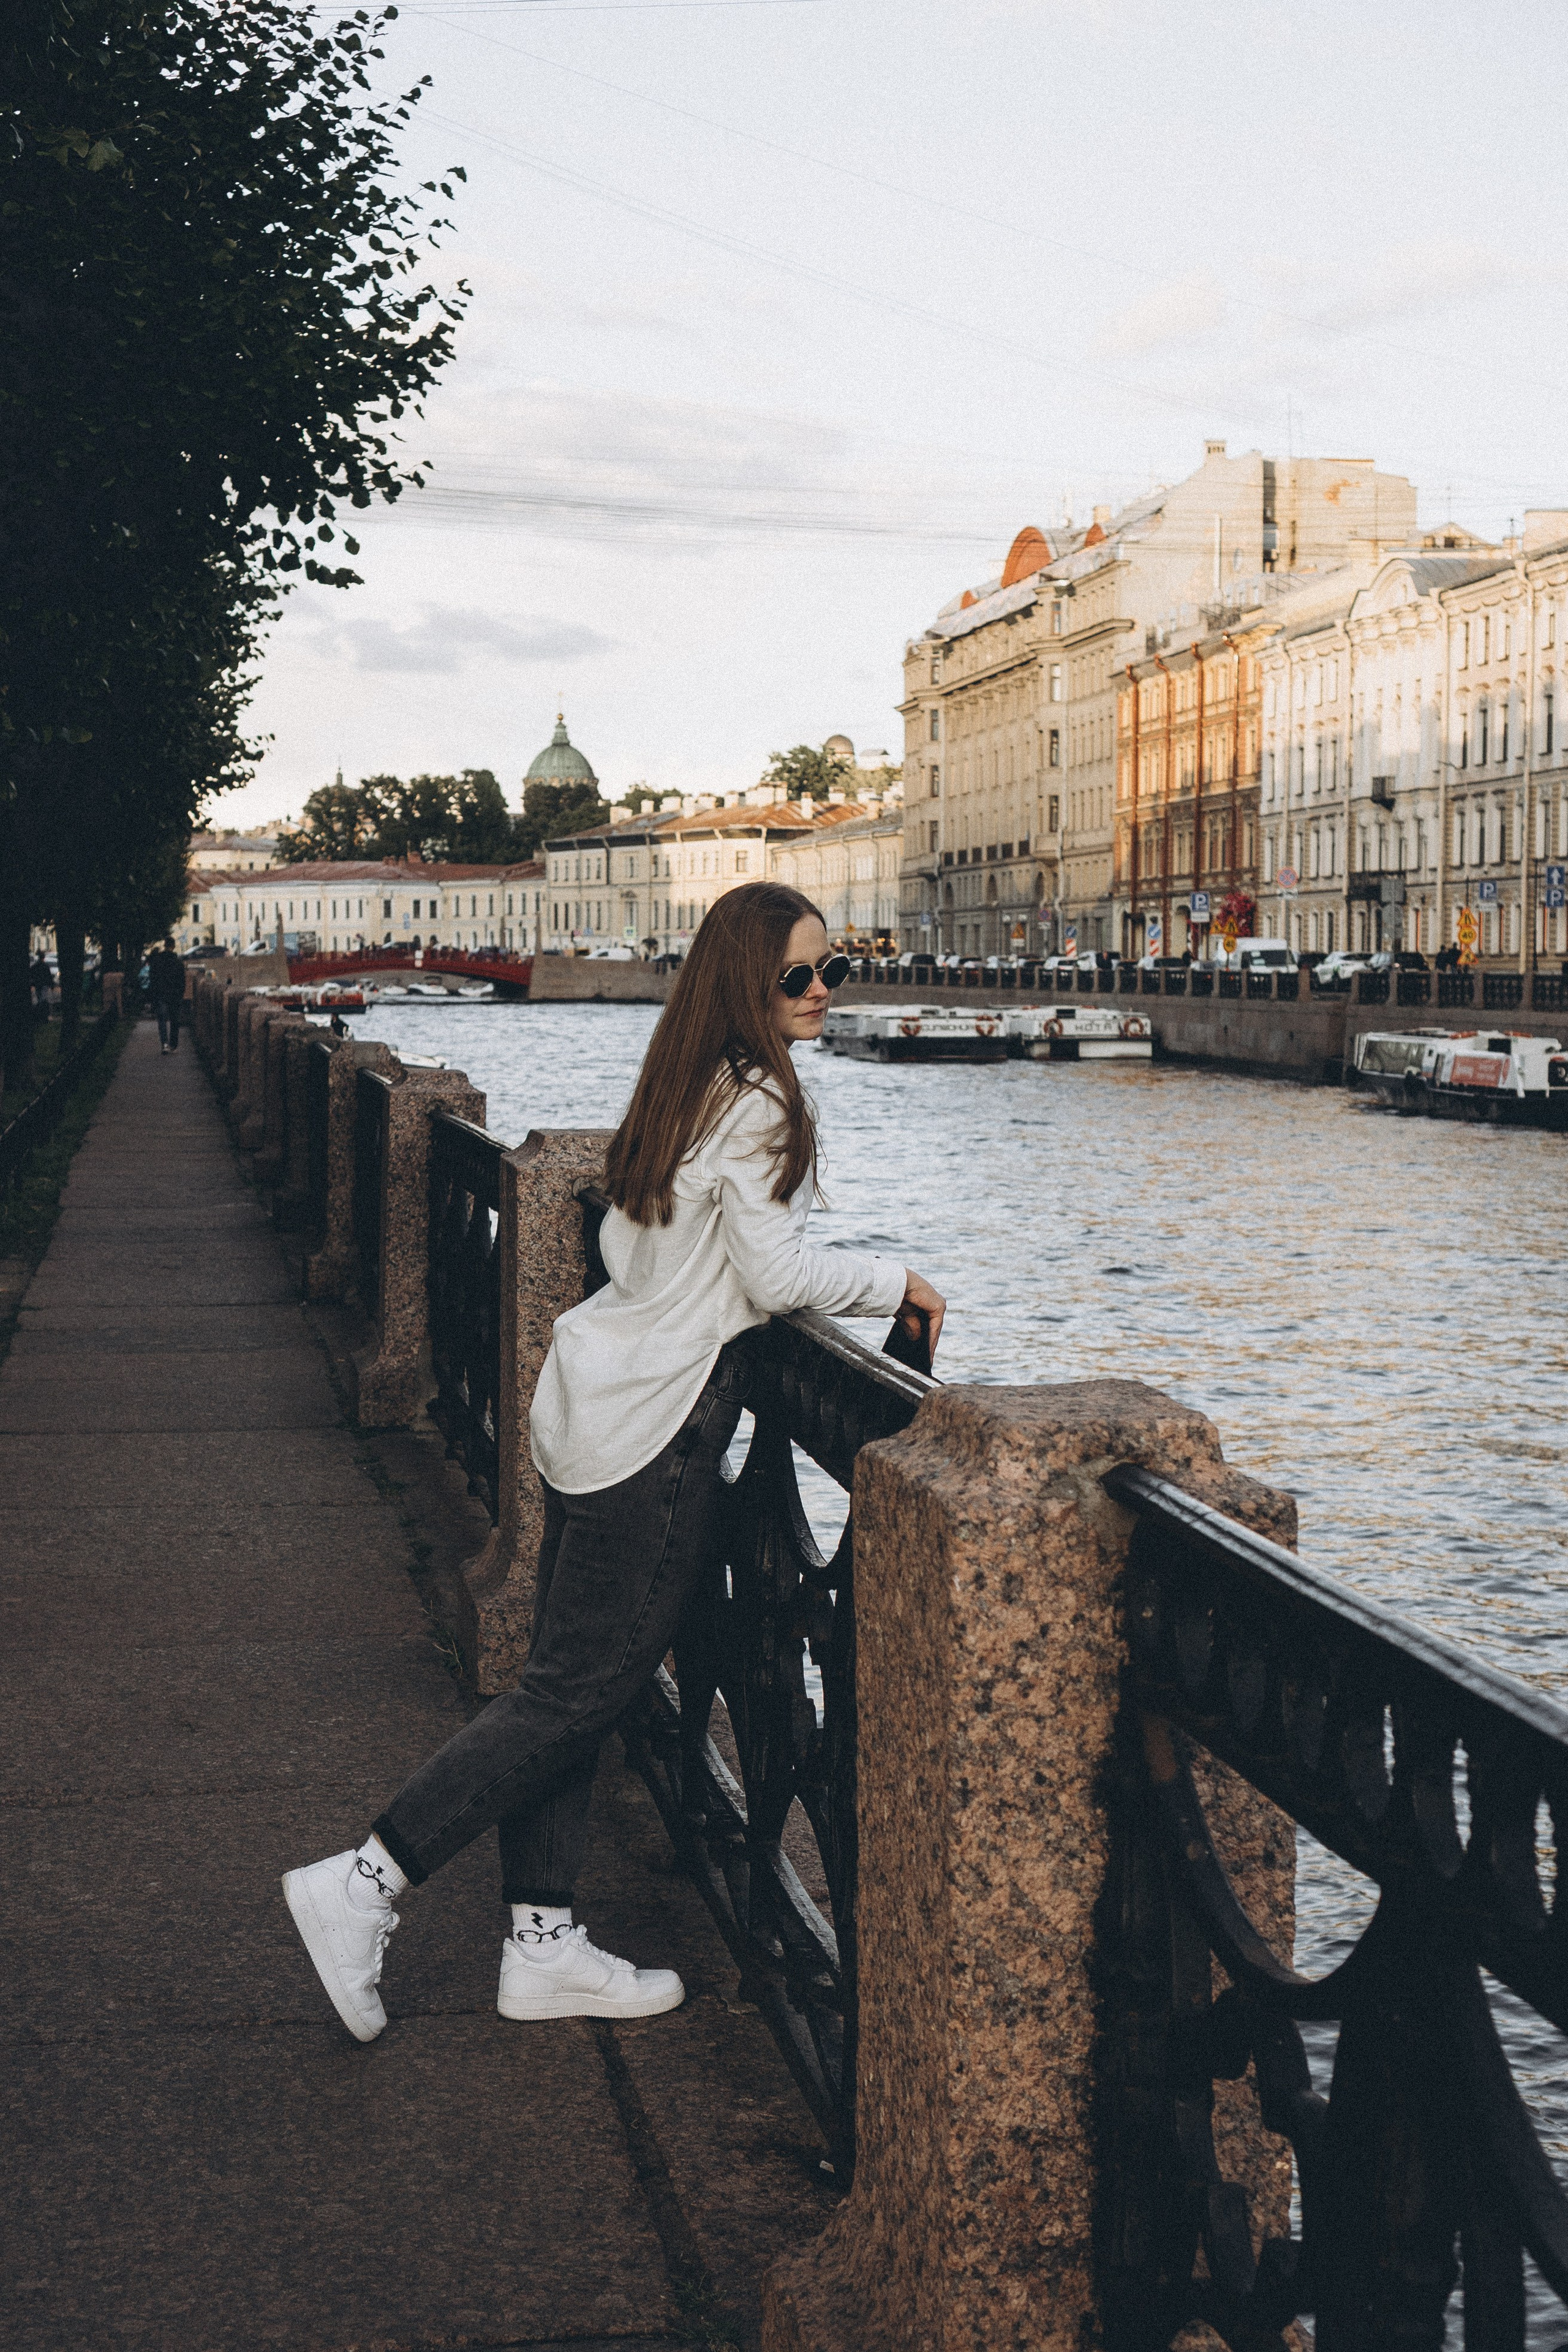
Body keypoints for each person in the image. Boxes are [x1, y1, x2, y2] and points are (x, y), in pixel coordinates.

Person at [282, 884, 946, 2043]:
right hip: (656, 1432)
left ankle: (541, 1944)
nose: (826, 989)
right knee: (573, 1692)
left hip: (589, 1406)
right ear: (752, 984)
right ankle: (364, 1883)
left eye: (827, 969)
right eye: (801, 975)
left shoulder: (679, 1086)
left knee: (571, 1684)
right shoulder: (759, 1105)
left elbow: (634, 1244)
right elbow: (780, 1278)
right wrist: (903, 1285)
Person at [146, 937, 186, 1054]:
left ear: (165, 946)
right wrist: (180, 994)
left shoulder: (157, 961)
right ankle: (173, 1045)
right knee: (174, 1020)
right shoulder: (178, 962)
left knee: (162, 1020)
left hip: (161, 995)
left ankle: (164, 1044)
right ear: (173, 947)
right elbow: (182, 981)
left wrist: (153, 994)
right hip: (174, 995)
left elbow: (152, 978)